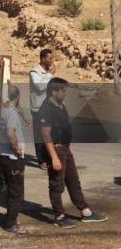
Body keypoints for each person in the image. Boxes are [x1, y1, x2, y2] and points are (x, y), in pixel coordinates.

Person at [39, 78, 108, 228]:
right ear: (54, 91)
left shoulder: (61, 106)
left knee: (73, 181)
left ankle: (86, 212)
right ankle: (59, 216)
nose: (66, 93)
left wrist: (68, 145)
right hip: (56, 150)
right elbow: (45, 135)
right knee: (57, 185)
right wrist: (54, 157)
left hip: (65, 149)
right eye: (63, 90)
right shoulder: (46, 109)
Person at [0, 85, 28, 235]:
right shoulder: (11, 113)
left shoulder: (1, 112)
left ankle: (11, 216)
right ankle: (10, 222)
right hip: (12, 158)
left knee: (10, 189)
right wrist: (17, 148)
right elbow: (10, 133)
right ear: (18, 97)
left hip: (2, 155)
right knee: (17, 192)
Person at [30, 49, 55, 170]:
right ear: (43, 59)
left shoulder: (48, 72)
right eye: (50, 58)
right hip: (38, 108)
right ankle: (41, 160)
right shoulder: (34, 72)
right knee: (39, 135)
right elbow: (39, 87)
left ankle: (49, 157)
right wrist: (50, 75)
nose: (52, 61)